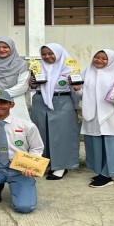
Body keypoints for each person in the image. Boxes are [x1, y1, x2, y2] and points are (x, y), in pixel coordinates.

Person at [78, 49, 114, 188]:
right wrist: (77, 89)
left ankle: (108, 175)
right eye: (97, 57)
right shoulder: (88, 72)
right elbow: (82, 94)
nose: (99, 61)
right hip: (94, 115)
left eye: (104, 59)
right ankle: (103, 172)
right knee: (97, 145)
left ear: (111, 61)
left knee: (112, 145)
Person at [28, 43, 81, 180]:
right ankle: (43, 163)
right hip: (40, 102)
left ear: (59, 53)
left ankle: (60, 166)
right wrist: (33, 83)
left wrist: (76, 106)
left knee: (61, 135)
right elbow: (32, 87)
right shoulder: (38, 67)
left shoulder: (70, 67)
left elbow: (76, 91)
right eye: (44, 54)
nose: (47, 56)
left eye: (51, 53)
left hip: (62, 101)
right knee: (40, 133)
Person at [0, 37, 31, 121]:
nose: (1, 50)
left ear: (11, 48)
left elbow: (22, 86)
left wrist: (0, 94)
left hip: (14, 101)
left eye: (5, 47)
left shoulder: (22, 64)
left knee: (17, 129)